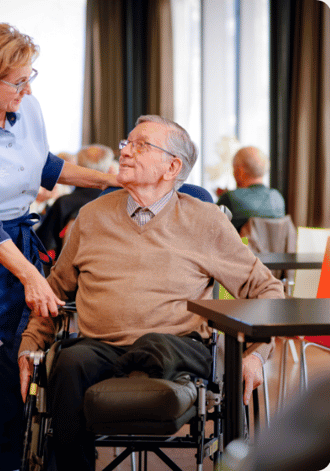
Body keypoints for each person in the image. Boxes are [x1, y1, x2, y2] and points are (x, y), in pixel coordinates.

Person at [18, 115, 284, 471]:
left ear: (172, 166)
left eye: (140, 145)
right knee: (68, 363)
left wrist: (257, 354)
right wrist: (31, 344)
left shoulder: (205, 221)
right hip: (101, 348)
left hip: (177, 346)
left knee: (157, 346)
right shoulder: (91, 217)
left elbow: (268, 289)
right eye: (127, 143)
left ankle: (144, 357)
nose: (125, 151)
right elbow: (53, 291)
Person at [0, 23, 118, 471]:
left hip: (19, 239)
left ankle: (22, 455)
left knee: (26, 352)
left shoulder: (27, 109)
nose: (27, 88)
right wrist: (35, 277)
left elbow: (46, 165)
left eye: (29, 76)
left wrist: (111, 181)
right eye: (17, 81)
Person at [36, 144, 116, 259]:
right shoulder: (115, 201)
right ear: (109, 169)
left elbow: (43, 244)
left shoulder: (64, 203)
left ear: (77, 166)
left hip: (68, 270)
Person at [216, 146, 286, 231]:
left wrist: (224, 197)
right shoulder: (277, 198)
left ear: (240, 170)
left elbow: (211, 230)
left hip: (242, 244)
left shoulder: (230, 199)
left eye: (234, 168)